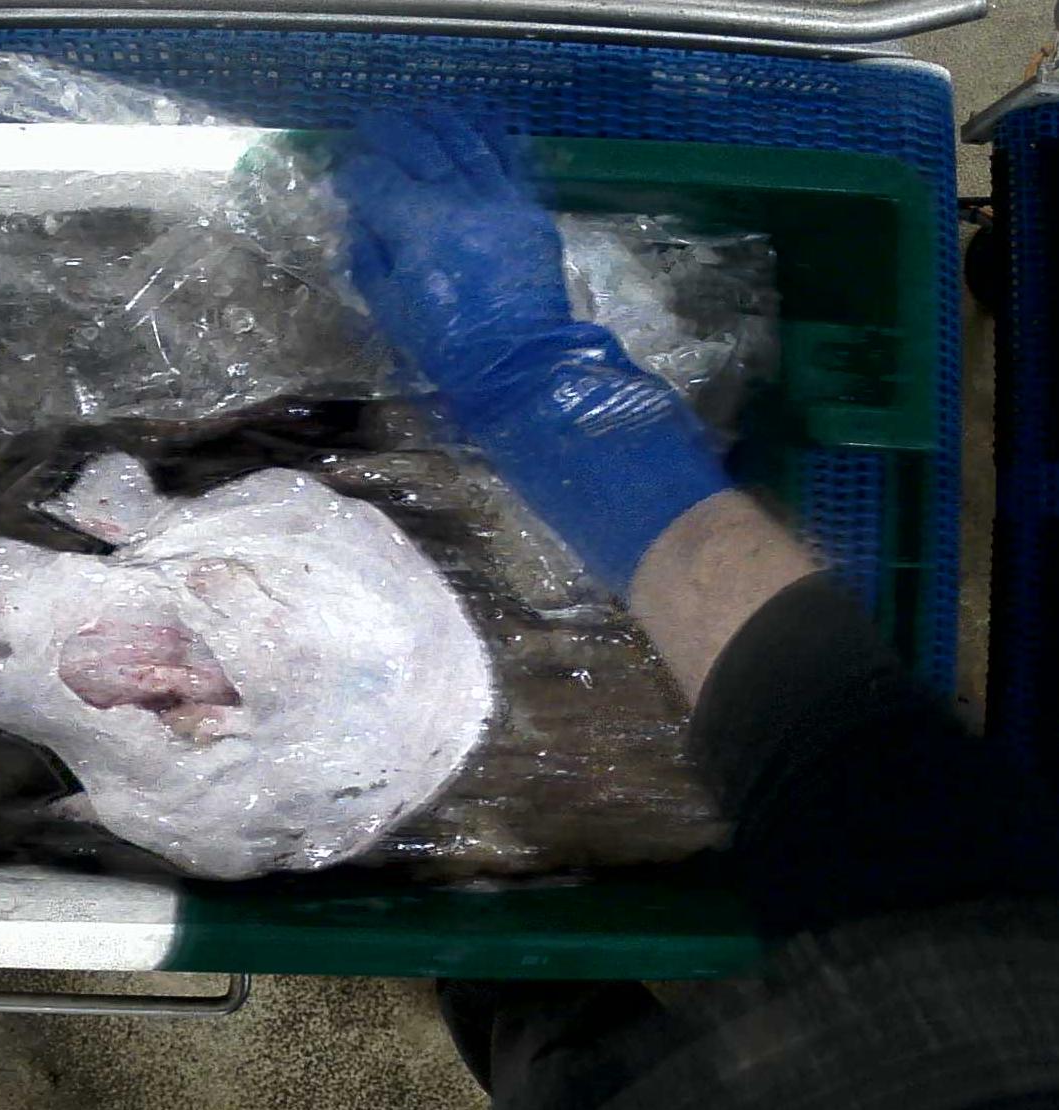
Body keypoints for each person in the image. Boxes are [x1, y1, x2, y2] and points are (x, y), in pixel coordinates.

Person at [333, 112, 1059, 1109]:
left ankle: (512, 992)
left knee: (564, 1062)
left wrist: (530, 379)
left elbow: (846, 762)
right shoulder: (991, 1017)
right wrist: (535, 383)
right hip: (935, 992)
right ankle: (514, 986)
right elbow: (855, 771)